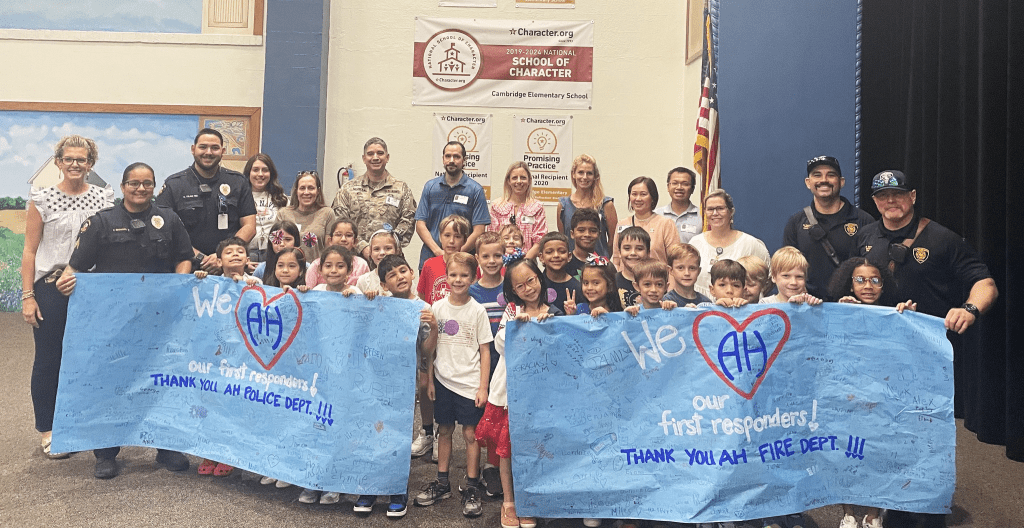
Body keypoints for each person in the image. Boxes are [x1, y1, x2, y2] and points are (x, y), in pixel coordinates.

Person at [857, 170, 997, 528]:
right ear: (875, 202)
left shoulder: (942, 237)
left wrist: (969, 308)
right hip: (877, 353)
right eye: (883, 196)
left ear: (913, 196)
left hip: (927, 357)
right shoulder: (867, 237)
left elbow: (985, 283)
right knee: (878, 428)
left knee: (924, 430)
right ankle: (882, 502)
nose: (891, 201)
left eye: (898, 194)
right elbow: (853, 281)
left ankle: (925, 505)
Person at [59, 162, 193, 479]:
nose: (141, 188)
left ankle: (167, 447)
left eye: (147, 183)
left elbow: (184, 257)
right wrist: (67, 279)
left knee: (162, 379)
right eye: (134, 183)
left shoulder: (169, 220)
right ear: (122, 187)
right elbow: (76, 266)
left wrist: (178, 284)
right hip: (113, 320)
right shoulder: (102, 222)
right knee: (112, 382)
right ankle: (105, 452)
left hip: (159, 318)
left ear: (155, 186)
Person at [21, 135, 114, 460]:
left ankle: (84, 424)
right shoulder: (42, 199)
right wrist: (28, 295)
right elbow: (30, 250)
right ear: (58, 162)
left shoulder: (104, 199)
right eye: (69, 159)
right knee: (49, 359)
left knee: (90, 359)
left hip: (91, 289)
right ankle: (49, 430)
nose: (76, 164)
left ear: (91, 164)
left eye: (82, 159)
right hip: (50, 287)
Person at [828, 257, 915, 528]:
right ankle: (849, 513)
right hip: (848, 398)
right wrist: (840, 315)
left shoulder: (895, 314)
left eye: (875, 280)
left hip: (883, 400)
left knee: (879, 453)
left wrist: (908, 317)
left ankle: (874, 513)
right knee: (847, 453)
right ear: (849, 283)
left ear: (884, 284)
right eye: (861, 280)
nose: (868, 286)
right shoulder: (839, 310)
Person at [477, 255, 558, 528]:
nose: (528, 288)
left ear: (539, 277)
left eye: (531, 280)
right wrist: (516, 326)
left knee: (537, 448)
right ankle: (509, 501)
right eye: (520, 286)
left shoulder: (555, 312)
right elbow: (501, 346)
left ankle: (530, 500)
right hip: (511, 394)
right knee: (507, 449)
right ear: (512, 291)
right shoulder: (511, 311)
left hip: (544, 396)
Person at [355, 254, 438, 517]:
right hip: (377, 379)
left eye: (403, 271)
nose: (400, 276)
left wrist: (433, 328)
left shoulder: (423, 307)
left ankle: (396, 488)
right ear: (384, 285)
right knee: (372, 431)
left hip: (404, 384)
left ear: (413, 273)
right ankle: (369, 486)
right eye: (392, 275)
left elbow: (426, 351)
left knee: (398, 433)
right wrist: (368, 299)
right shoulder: (379, 303)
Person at [415, 252, 492, 519]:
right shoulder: (436, 308)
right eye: (453, 275)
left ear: (474, 277)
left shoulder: (478, 310)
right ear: (445, 277)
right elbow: (428, 349)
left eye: (464, 275)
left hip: (470, 384)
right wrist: (431, 378)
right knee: (444, 431)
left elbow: (485, 352)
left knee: (471, 435)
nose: (458, 280)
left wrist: (483, 387)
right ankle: (442, 482)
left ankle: (471, 486)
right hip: (443, 382)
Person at [193, 237, 260, 478]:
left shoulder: (254, 283)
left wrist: (248, 283)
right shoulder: (209, 283)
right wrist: (201, 280)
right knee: (211, 401)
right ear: (218, 260)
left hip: (242, 354)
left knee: (234, 403)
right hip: (213, 354)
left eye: (240, 251)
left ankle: (229, 452)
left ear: (247, 259)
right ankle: (209, 452)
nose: (234, 255)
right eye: (228, 252)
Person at [156, 128, 256, 273]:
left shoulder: (238, 182)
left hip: (228, 268)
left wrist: (222, 256)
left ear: (222, 151)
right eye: (203, 147)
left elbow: (249, 227)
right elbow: (164, 230)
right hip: (186, 265)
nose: (208, 152)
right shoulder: (174, 184)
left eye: (215, 148)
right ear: (193, 149)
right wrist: (199, 257)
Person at [782, 156, 874, 299]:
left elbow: (872, 270)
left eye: (831, 175)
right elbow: (787, 268)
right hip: (808, 306)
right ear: (808, 182)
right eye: (817, 175)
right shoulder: (796, 222)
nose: (823, 180)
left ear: (841, 182)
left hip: (851, 306)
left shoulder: (863, 221)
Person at [331, 137, 417, 262]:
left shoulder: (401, 189)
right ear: (364, 158)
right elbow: (339, 222)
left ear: (387, 157)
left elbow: (409, 220)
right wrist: (362, 247)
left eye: (380, 153)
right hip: (352, 261)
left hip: (389, 260)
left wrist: (386, 246)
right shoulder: (347, 189)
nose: (375, 157)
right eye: (370, 154)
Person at [467, 232, 506, 498]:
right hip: (481, 361)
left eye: (497, 255)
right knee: (484, 416)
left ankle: (499, 464)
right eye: (486, 256)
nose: (492, 261)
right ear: (477, 258)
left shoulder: (511, 285)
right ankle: (486, 468)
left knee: (501, 413)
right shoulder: (471, 291)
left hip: (504, 361)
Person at [415, 141, 490, 270]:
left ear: (464, 160)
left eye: (456, 157)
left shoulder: (475, 190)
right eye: (448, 156)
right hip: (430, 258)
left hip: (463, 262)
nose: (451, 160)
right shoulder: (430, 187)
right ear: (443, 159)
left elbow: (479, 230)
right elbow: (420, 224)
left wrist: (457, 254)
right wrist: (439, 252)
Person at [689, 189, 770, 297]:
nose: (715, 213)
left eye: (720, 208)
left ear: (731, 212)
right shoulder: (695, 243)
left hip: (738, 309)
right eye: (710, 209)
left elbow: (769, 278)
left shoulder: (750, 244)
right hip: (703, 310)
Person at [612, 176, 681, 268]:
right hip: (626, 280)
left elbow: (675, 260)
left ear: (652, 197)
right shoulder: (622, 223)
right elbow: (616, 260)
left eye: (643, 194)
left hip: (655, 279)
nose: (638, 199)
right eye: (634, 194)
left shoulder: (665, 224)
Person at [557, 154, 617, 257]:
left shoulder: (606, 204)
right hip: (571, 267)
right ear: (573, 175)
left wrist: (604, 259)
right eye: (580, 172)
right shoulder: (563, 205)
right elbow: (564, 238)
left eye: (589, 173)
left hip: (598, 266)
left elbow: (613, 241)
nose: (584, 177)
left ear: (595, 176)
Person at [487, 161, 547, 259]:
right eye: (514, 178)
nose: (519, 181)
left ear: (529, 181)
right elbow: (492, 238)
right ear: (508, 181)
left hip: (527, 262)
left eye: (523, 178)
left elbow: (540, 241)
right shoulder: (496, 206)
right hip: (500, 263)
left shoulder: (537, 207)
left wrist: (524, 262)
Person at [276, 170, 335, 263]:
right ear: (296, 191)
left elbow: (330, 249)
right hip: (288, 268)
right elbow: (276, 246)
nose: (306, 192)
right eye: (302, 188)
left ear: (318, 191)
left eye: (311, 188)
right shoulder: (283, 214)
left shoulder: (327, 214)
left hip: (316, 269)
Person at [244, 153, 288, 264]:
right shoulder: (240, 198)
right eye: (255, 170)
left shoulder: (282, 199)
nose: (260, 174)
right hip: (248, 254)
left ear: (271, 173)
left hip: (274, 253)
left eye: (265, 170)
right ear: (248, 173)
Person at [417, 214, 470, 307]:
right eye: (447, 235)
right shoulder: (429, 265)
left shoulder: (470, 266)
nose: (451, 241)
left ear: (465, 240)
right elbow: (422, 296)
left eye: (457, 236)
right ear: (440, 237)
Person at [305, 218, 370, 288]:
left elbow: (366, 291)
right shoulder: (317, 265)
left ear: (355, 242)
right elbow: (309, 293)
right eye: (338, 235)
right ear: (330, 240)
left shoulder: (361, 265)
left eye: (348, 235)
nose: (343, 239)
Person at [537, 232, 584, 315]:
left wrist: (572, 314)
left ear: (569, 256)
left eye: (562, 251)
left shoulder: (577, 287)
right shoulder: (536, 285)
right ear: (541, 257)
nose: (556, 255)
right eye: (549, 252)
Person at [654, 167, 703, 244]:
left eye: (685, 184)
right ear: (668, 187)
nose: (679, 187)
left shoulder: (702, 216)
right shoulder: (656, 215)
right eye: (675, 183)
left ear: (693, 189)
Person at [615, 226, 651, 309]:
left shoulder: (656, 281)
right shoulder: (612, 281)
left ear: (648, 253)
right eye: (627, 248)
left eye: (639, 248)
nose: (633, 253)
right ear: (619, 253)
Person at [566, 208, 601, 281]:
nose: (587, 234)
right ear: (572, 234)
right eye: (581, 230)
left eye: (593, 231)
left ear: (599, 234)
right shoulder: (563, 264)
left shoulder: (605, 265)